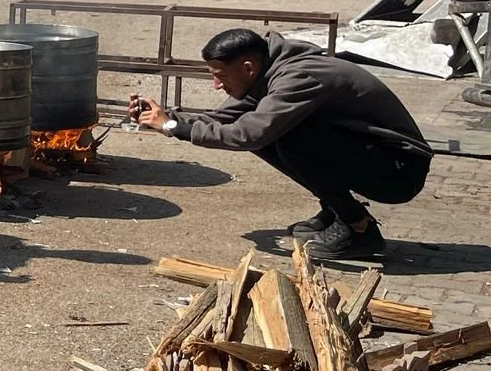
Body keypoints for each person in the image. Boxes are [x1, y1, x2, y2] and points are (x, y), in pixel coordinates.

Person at [132, 28, 432, 264]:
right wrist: (164, 117)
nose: (217, 85)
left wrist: (172, 128)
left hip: (399, 171)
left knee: (290, 138)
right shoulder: (269, 70)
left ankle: (358, 228)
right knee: (273, 133)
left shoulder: (297, 77)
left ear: (248, 67)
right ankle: (336, 210)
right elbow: (223, 119)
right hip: (374, 156)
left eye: (220, 76)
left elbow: (247, 134)